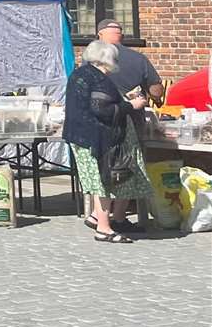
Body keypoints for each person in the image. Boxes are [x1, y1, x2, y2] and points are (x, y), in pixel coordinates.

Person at [63, 39, 153, 243]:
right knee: (102, 181)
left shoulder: (80, 74)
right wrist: (131, 105)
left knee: (103, 179)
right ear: (107, 59)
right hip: (96, 138)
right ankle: (104, 228)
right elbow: (100, 108)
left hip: (81, 136)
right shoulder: (99, 78)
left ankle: (108, 220)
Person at [94, 18, 164, 227]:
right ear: (121, 36)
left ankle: (98, 216)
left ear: (100, 36)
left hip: (102, 122)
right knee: (129, 167)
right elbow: (156, 89)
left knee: (101, 170)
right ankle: (119, 216)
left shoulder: (92, 60)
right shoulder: (137, 58)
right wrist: (156, 98)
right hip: (132, 122)